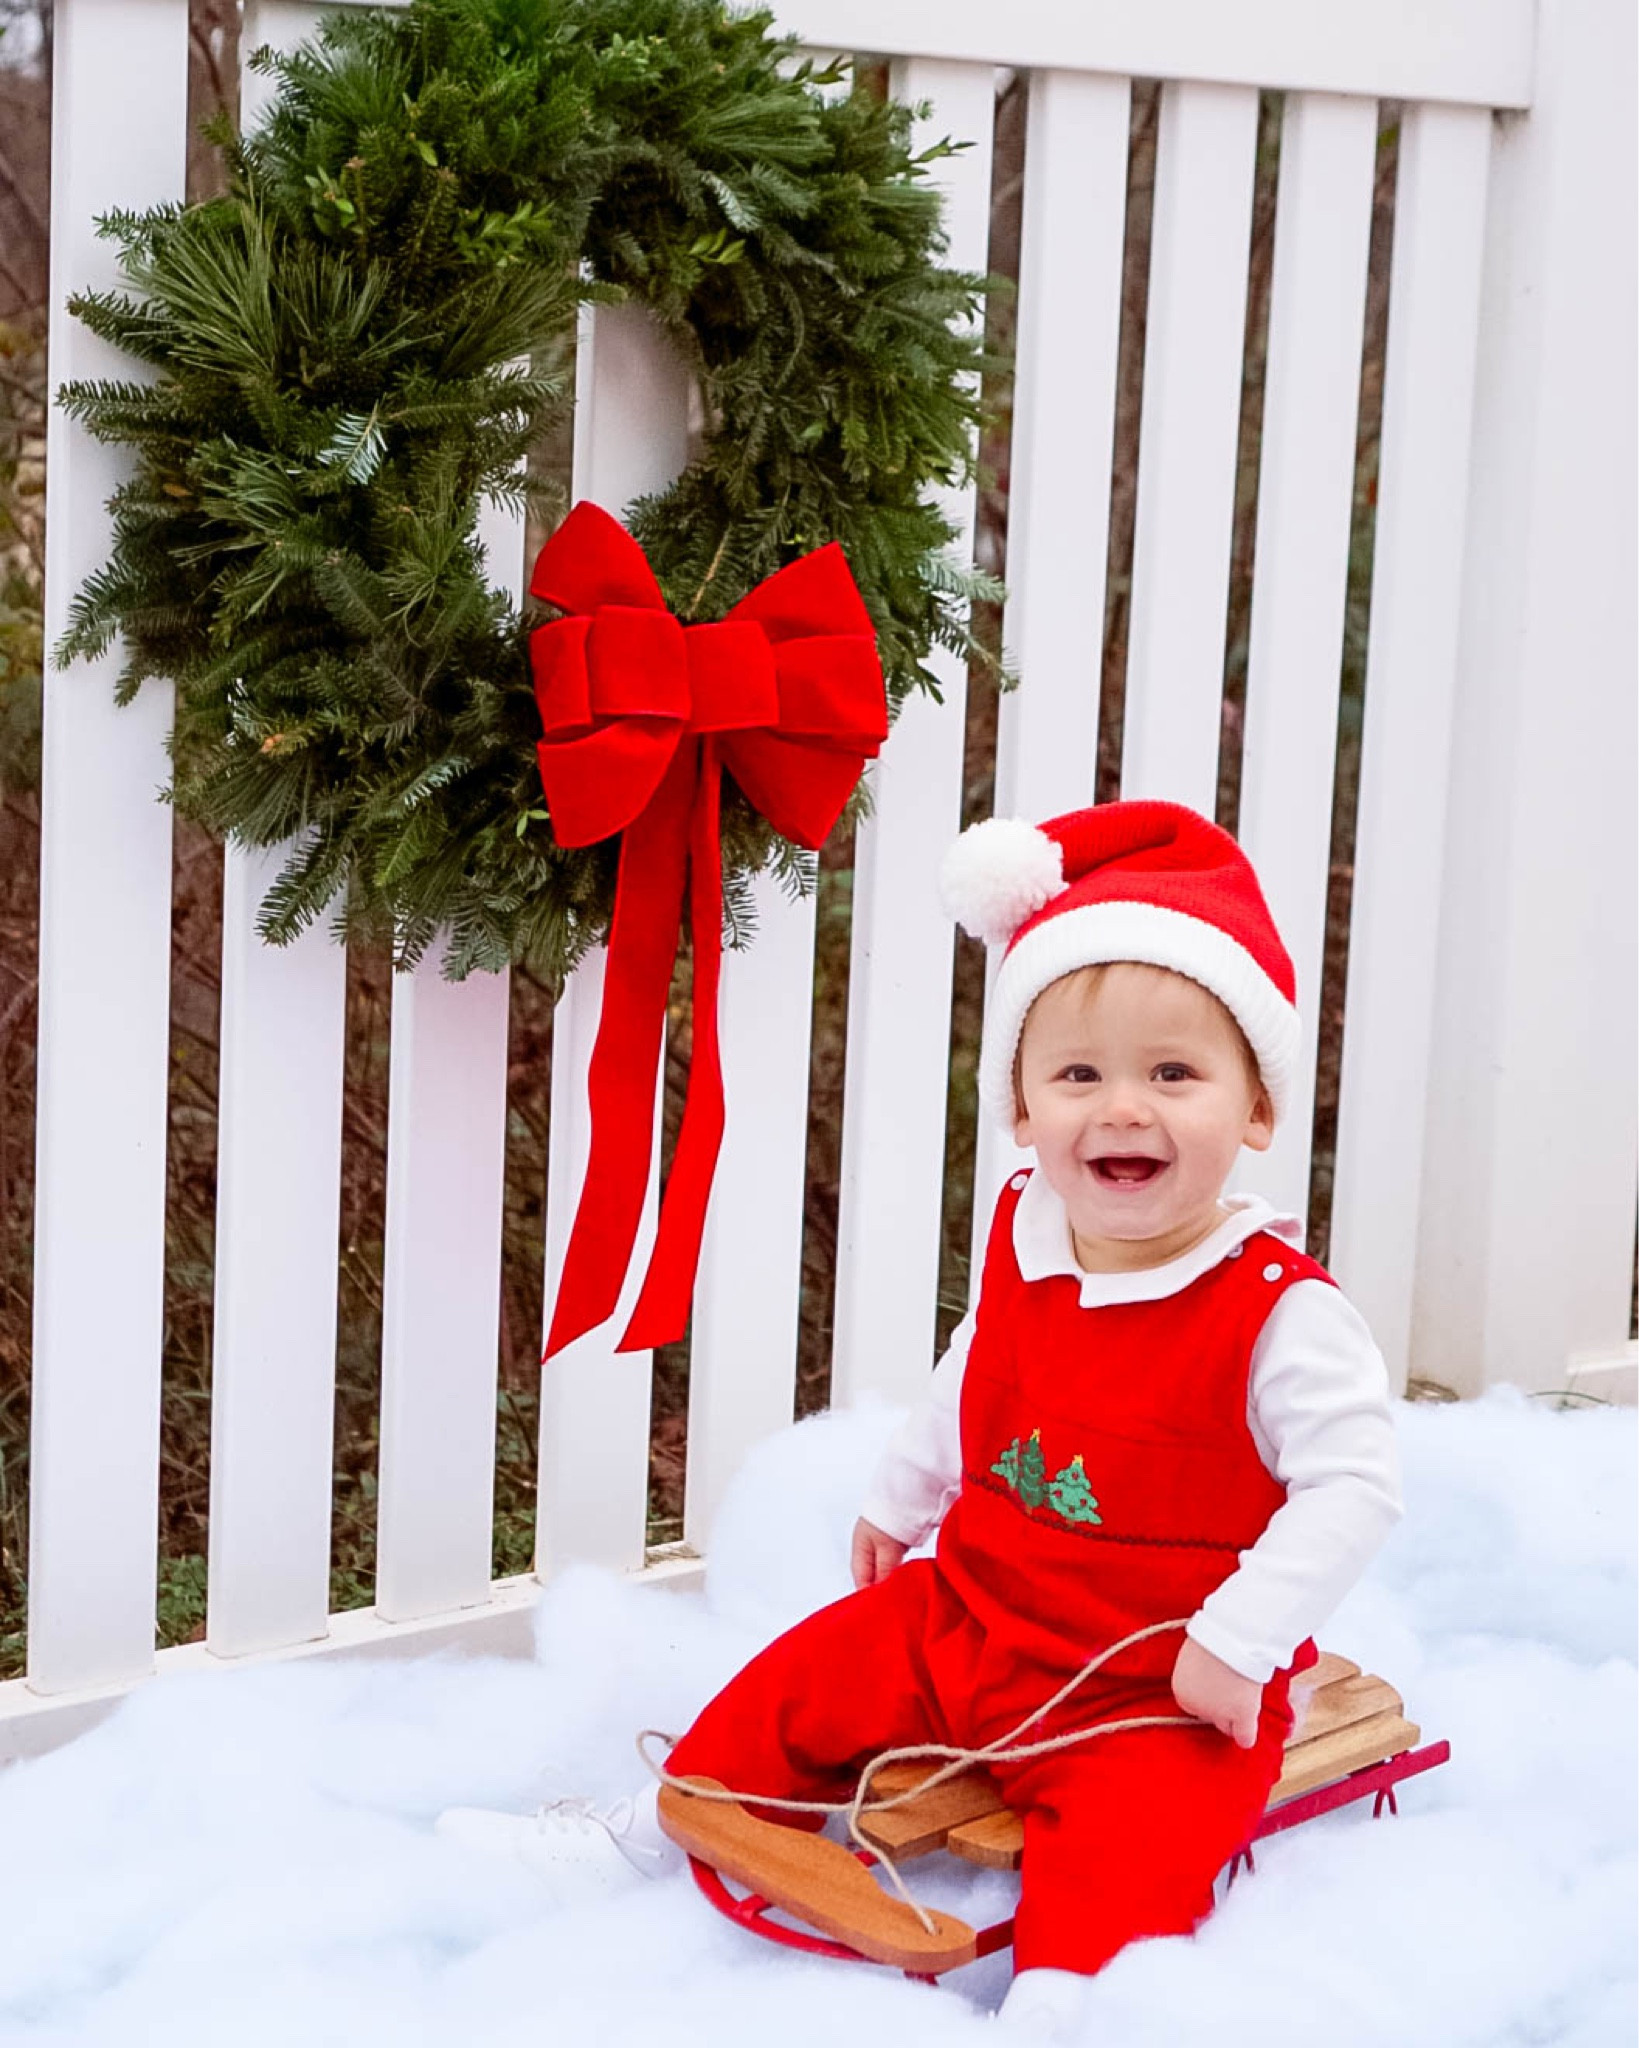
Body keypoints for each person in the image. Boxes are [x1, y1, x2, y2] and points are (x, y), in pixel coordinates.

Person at [438, 800, 1403, 2038]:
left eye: (1173, 1073)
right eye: (1078, 1074)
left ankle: (1064, 1999)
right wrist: (905, 1491)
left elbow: (1351, 1487)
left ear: (1255, 1108)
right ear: (1021, 1108)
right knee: (808, 1676)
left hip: (1153, 1687)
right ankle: (648, 1827)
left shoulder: (1277, 1311)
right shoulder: (1028, 1226)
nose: (1121, 1107)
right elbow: (978, 1361)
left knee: (1132, 1847)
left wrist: (1239, 1638)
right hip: (978, 1612)